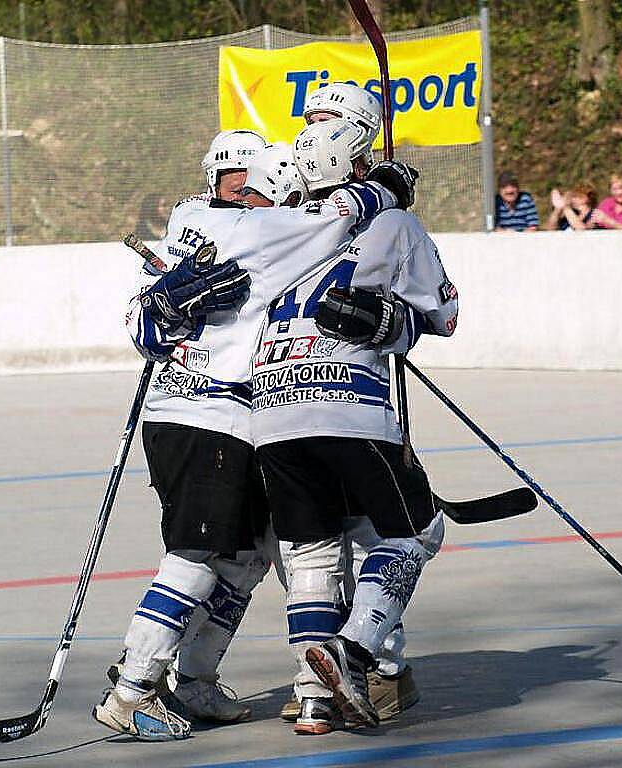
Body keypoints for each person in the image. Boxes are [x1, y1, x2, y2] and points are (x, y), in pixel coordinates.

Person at [93, 126, 403, 741]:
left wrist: (155, 312)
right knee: (197, 554)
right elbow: (336, 214)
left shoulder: (190, 220)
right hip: (207, 415)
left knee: (247, 555)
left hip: (230, 417)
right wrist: (385, 188)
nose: (272, 199)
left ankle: (196, 682)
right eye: (257, 185)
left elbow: (138, 320)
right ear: (239, 182)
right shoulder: (260, 229)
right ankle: (133, 689)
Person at [253, 121, 458, 735]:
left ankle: (315, 697)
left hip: (269, 411)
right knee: (414, 531)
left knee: (313, 551)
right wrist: (394, 322)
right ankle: (359, 651)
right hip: (349, 404)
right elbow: (442, 315)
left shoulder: (274, 226)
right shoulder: (390, 223)